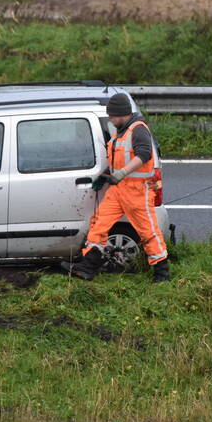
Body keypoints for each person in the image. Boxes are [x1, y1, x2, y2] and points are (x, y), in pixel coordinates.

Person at [61, 93, 170, 283]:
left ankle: (162, 274)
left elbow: (144, 155)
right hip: (117, 190)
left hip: (137, 192)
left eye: (112, 116)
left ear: (121, 114)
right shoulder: (121, 131)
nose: (110, 119)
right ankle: (87, 268)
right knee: (99, 225)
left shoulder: (138, 129)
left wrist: (121, 173)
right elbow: (117, 160)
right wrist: (105, 175)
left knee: (148, 232)